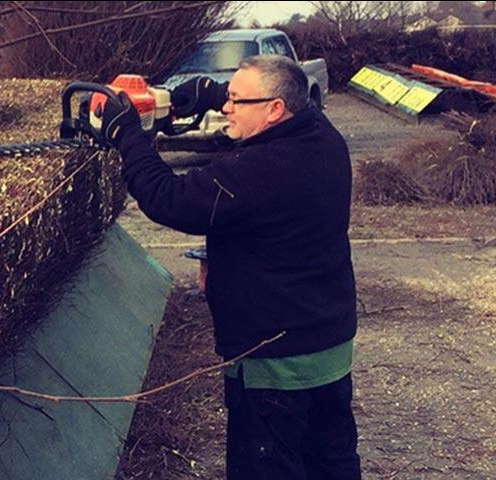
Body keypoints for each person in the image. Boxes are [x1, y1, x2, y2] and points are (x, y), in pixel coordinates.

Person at [90, 55, 361, 479]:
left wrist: (127, 132)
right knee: (331, 462)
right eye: (227, 96)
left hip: (274, 361)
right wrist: (207, 94)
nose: (227, 108)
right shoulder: (324, 138)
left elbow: (168, 198)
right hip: (329, 347)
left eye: (236, 100)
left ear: (274, 109)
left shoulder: (256, 171)